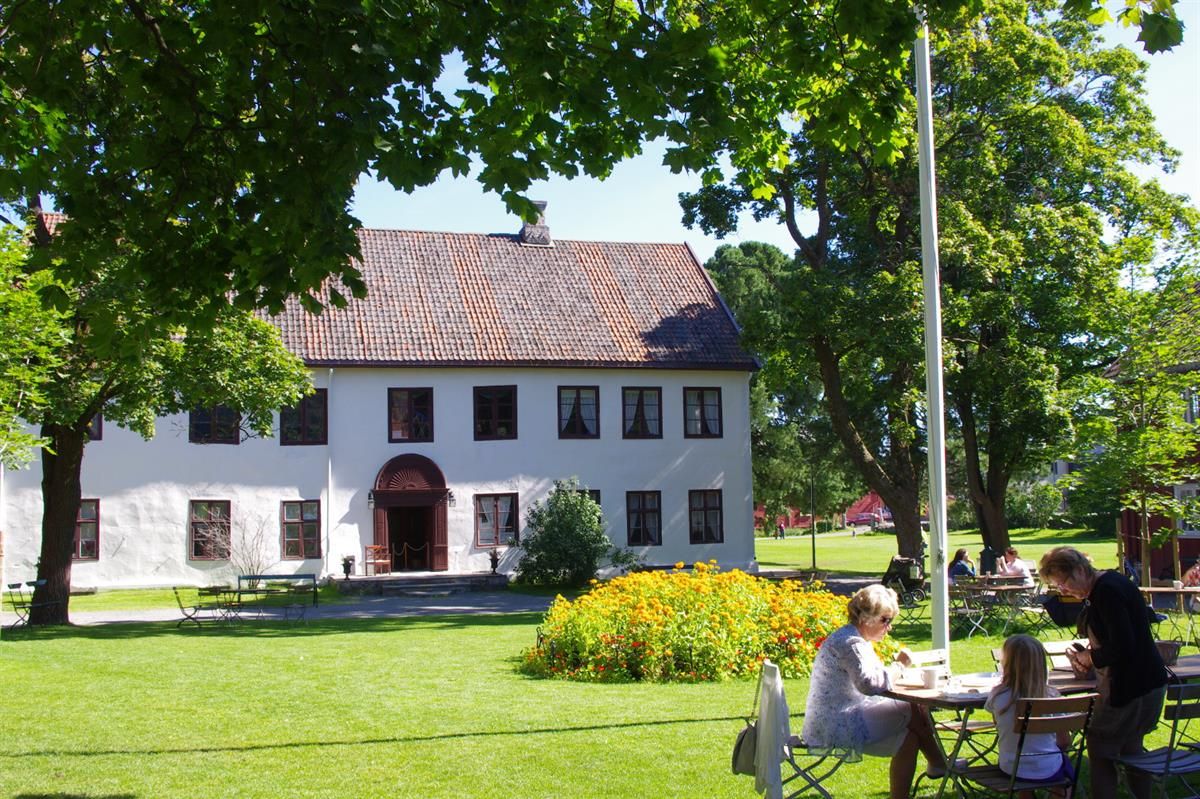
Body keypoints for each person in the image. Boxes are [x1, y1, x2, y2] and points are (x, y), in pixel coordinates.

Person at [1038, 546, 1168, 799]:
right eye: (1058, 587)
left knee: (1100, 748)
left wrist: (1090, 657)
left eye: (1063, 583)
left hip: (1129, 686)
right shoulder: (1111, 583)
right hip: (1150, 680)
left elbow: (1123, 645)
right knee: (1132, 748)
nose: (1063, 591)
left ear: (1079, 570)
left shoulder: (1106, 592)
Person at [802, 584, 946, 799]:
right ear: (866, 618)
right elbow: (869, 685)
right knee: (912, 708)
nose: (889, 627)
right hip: (834, 723)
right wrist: (900, 666)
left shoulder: (853, 638)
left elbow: (875, 680)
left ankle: (912, 786)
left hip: (835, 716)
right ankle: (940, 764)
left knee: (910, 737)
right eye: (885, 620)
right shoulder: (850, 643)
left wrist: (896, 673)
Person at [986, 635, 1074, 798]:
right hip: (1047, 766)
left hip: (1010, 766)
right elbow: (1064, 741)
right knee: (1064, 770)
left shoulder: (997, 696)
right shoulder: (1052, 697)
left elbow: (998, 726)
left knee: (1023, 763)